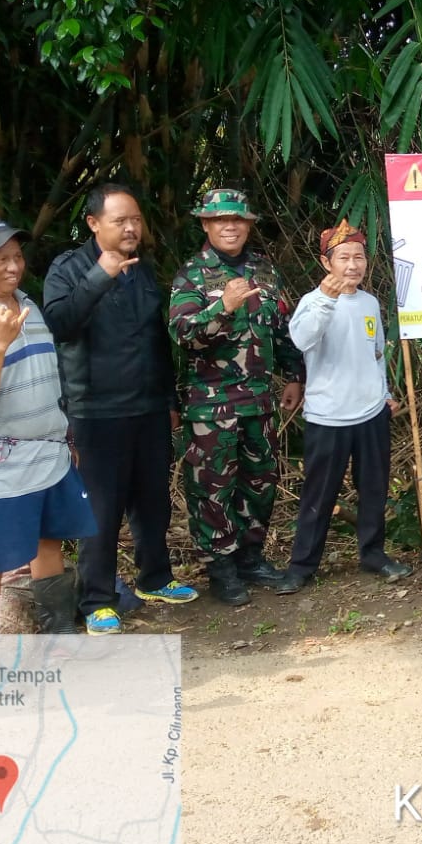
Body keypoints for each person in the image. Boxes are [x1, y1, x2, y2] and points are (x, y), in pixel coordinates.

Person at [43, 183, 197, 629]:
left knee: (152, 500)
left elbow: (156, 341)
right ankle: (96, 599)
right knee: (102, 508)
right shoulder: (69, 268)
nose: (131, 228)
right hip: (96, 410)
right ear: (93, 224)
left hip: (147, 405)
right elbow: (61, 323)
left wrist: (168, 399)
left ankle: (155, 577)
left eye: (135, 220)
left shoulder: (142, 270)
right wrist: (100, 275)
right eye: (120, 221)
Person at [0, 217, 99, 636]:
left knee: (50, 541)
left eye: (17, 257)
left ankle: (60, 634)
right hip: (1, 460)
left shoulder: (29, 307)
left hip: (49, 452)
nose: (13, 266)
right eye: (0, 259)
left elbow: (49, 379)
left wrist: (64, 437)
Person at [169, 188, 305, 607]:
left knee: (260, 482)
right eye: (221, 220)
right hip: (212, 406)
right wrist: (221, 307)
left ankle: (250, 557)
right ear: (206, 225)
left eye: (238, 220)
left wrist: (295, 375)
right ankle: (221, 568)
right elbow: (183, 335)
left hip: (260, 402)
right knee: (212, 489)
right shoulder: (192, 276)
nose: (230, 226)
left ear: (248, 225)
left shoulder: (264, 271)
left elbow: (281, 327)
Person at [276, 222, 412, 592]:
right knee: (319, 495)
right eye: (344, 258)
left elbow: (377, 353)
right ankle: (302, 566)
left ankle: (373, 555)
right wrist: (325, 298)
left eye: (359, 258)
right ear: (326, 262)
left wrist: (384, 393)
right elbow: (302, 338)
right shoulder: (312, 301)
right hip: (327, 415)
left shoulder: (369, 303)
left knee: (373, 488)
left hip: (370, 412)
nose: (352, 266)